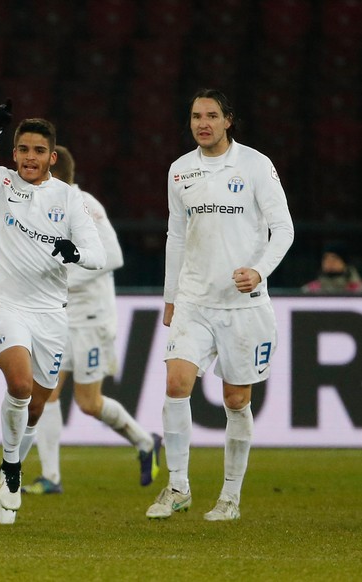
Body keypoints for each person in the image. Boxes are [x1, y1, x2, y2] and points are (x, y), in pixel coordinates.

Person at [147, 89, 294, 522]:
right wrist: (171, 297)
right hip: (194, 299)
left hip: (243, 305)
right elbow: (176, 235)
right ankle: (177, 486)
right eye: (195, 116)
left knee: (235, 399)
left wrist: (259, 270)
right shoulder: (180, 171)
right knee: (176, 384)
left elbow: (283, 228)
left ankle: (230, 496)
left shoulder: (254, 164)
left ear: (228, 120)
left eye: (211, 115)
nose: (202, 123)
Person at [0, 101, 106, 524]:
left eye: (38, 150)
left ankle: (10, 463)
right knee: (21, 383)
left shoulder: (68, 199)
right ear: (14, 154)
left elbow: (98, 255)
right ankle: (11, 469)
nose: (30, 157)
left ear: (52, 156)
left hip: (49, 311)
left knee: (38, 405)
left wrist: (75, 252)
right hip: (1, 301)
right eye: (23, 149)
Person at [21, 145, 160, 496]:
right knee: (47, 393)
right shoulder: (43, 207)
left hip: (92, 319)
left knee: (88, 402)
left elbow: (112, 256)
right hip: (62, 317)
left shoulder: (85, 205)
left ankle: (145, 442)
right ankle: (51, 477)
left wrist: (62, 280)